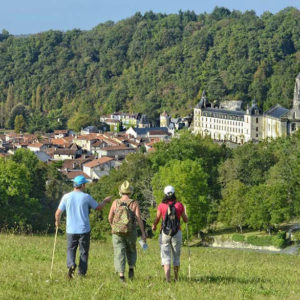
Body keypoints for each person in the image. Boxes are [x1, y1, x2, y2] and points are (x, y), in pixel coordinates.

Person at [55, 175, 112, 278]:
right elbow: (98, 207)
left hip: (71, 229)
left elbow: (58, 213)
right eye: (84, 184)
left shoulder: (66, 197)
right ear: (82, 185)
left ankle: (71, 265)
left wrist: (57, 222)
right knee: (83, 252)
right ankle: (81, 274)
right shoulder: (86, 197)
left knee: (71, 249)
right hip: (84, 229)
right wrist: (105, 201)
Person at [108, 180, 146, 282]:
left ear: (121, 191)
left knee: (119, 252)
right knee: (131, 250)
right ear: (130, 192)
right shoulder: (134, 203)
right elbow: (139, 218)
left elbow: (109, 217)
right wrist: (143, 233)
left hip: (117, 232)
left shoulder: (116, 202)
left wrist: (114, 226)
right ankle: (131, 269)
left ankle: (121, 275)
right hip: (131, 231)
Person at [152, 185, 188, 282]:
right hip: (177, 232)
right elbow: (185, 220)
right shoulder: (179, 205)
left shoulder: (161, 205)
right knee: (176, 256)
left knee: (165, 256)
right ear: (174, 193)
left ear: (165, 194)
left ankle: (168, 279)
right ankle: (176, 279)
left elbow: (157, 218)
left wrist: (154, 225)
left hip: (165, 233)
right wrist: (185, 214)